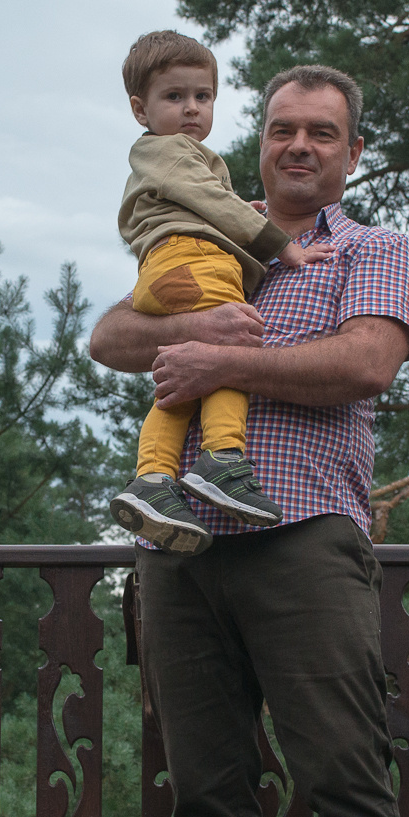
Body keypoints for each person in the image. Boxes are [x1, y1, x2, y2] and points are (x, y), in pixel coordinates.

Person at [88, 61, 409, 817]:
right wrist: (199, 328)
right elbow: (112, 332)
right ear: (261, 141)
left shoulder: (370, 250)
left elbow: (366, 364)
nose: (298, 146)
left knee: (344, 767)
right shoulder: (207, 229)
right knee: (209, 781)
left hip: (305, 534)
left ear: (351, 153)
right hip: (181, 543)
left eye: (321, 133)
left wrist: (224, 365)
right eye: (283, 128)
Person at [107, 30, 317, 554]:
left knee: (188, 373)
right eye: (174, 97)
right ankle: (222, 458)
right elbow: (212, 202)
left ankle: (154, 479)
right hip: (192, 262)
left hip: (171, 268)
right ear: (141, 109)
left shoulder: (170, 159)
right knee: (230, 352)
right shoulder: (173, 152)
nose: (192, 109)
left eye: (203, 97)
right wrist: (282, 247)